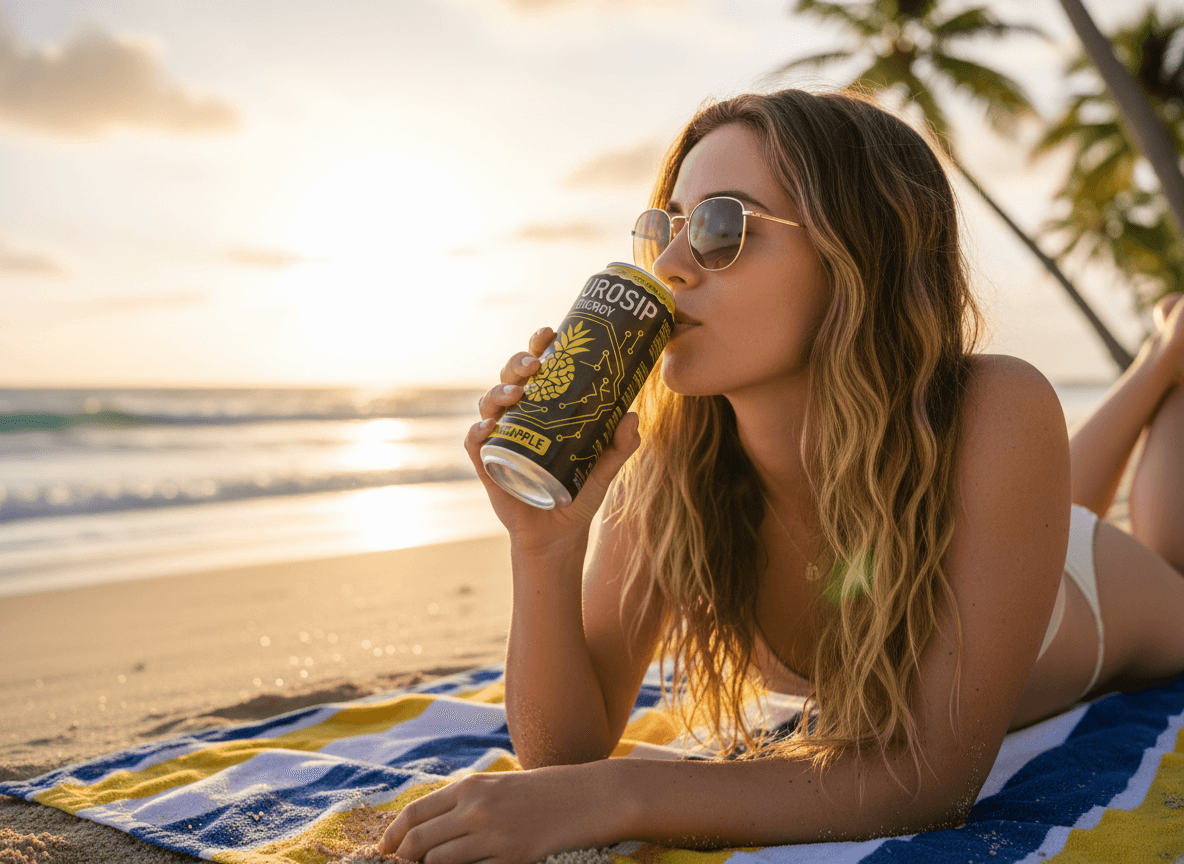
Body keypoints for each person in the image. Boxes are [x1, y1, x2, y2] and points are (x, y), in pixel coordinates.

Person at [380, 89, 1184, 863]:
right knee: (1060, 502)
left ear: (858, 252)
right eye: (661, 229)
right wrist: (543, 548)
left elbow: (929, 779)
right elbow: (568, 748)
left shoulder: (998, 408)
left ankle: (1165, 361)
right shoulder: (668, 473)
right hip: (1004, 537)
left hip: (1091, 592)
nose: (670, 265)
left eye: (721, 227)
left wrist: (621, 794)